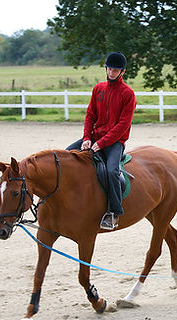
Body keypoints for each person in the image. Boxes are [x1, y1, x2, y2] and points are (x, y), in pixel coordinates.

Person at [66, 51, 136, 230]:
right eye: (109, 69)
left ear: (123, 72)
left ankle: (114, 212)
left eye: (115, 70)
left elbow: (122, 126)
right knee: (66, 155)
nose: (111, 73)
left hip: (114, 142)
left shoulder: (128, 94)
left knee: (112, 171)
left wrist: (101, 143)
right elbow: (90, 114)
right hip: (94, 137)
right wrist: (87, 138)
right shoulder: (98, 89)